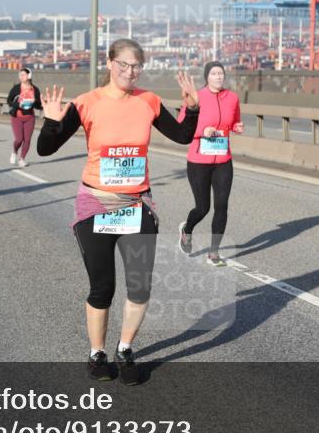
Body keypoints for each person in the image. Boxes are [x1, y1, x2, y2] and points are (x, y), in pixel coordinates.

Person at [36, 39, 200, 384]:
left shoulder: (148, 101)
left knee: (140, 287)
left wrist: (193, 108)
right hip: (96, 203)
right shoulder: (86, 103)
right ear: (110, 63)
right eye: (123, 65)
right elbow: (45, 149)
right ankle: (97, 354)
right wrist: (51, 122)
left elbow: (184, 136)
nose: (130, 72)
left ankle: (125, 349)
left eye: (136, 66)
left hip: (137, 204)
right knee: (103, 287)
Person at [177, 61, 244, 267]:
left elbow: (233, 122)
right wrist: (202, 131)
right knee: (203, 207)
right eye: (214, 73)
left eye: (221, 73)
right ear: (207, 77)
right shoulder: (197, 97)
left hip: (223, 160)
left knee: (222, 206)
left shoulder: (232, 98)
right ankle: (187, 230)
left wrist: (237, 127)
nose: (218, 76)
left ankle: (214, 253)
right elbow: (182, 127)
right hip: (199, 161)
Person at [6, 67, 42, 167]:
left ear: (29, 76)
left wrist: (35, 102)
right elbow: (9, 101)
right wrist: (18, 105)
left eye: (23, 74)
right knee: (19, 139)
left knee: (27, 140)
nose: (21, 76)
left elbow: (39, 106)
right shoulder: (16, 88)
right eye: (20, 75)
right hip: (17, 117)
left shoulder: (35, 89)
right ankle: (14, 152)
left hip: (29, 118)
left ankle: (22, 159)